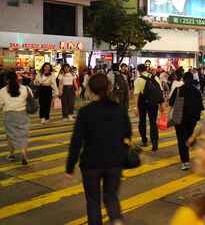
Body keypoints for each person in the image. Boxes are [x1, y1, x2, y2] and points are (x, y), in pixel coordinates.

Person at [65, 73, 131, 225]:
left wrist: (70, 168)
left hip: (91, 163)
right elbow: (127, 134)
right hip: (115, 161)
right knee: (111, 197)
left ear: (90, 90)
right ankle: (116, 220)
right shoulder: (119, 110)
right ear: (109, 88)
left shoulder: (85, 112)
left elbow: (76, 141)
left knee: (93, 201)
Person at [169, 72, 204, 171]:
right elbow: (201, 107)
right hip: (192, 118)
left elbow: (171, 103)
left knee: (181, 139)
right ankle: (192, 144)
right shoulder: (197, 91)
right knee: (189, 135)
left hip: (179, 117)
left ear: (183, 80)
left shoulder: (178, 89)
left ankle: (185, 162)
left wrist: (168, 114)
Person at [0, 71, 32, 165]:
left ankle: (11, 154)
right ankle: (23, 153)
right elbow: (30, 99)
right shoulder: (25, 88)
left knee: (10, 135)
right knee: (23, 135)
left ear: (6, 80)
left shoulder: (2, 91)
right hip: (22, 114)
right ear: (17, 78)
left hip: (9, 115)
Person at [134, 64, 165, 151]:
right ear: (146, 69)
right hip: (153, 103)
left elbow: (136, 95)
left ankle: (144, 140)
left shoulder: (138, 80)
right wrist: (161, 104)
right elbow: (160, 91)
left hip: (142, 103)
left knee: (142, 121)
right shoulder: (155, 77)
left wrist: (136, 107)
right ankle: (154, 142)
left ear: (138, 70)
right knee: (153, 122)